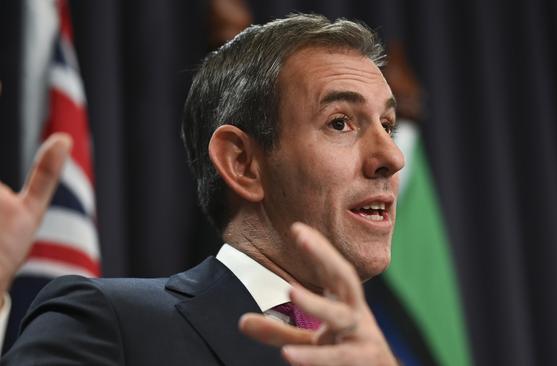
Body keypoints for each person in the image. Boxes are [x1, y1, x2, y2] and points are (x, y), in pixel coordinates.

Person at [1, 13, 404, 365]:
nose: (392, 156)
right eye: (340, 122)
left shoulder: (379, 356)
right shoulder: (113, 323)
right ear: (241, 163)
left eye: (387, 125)